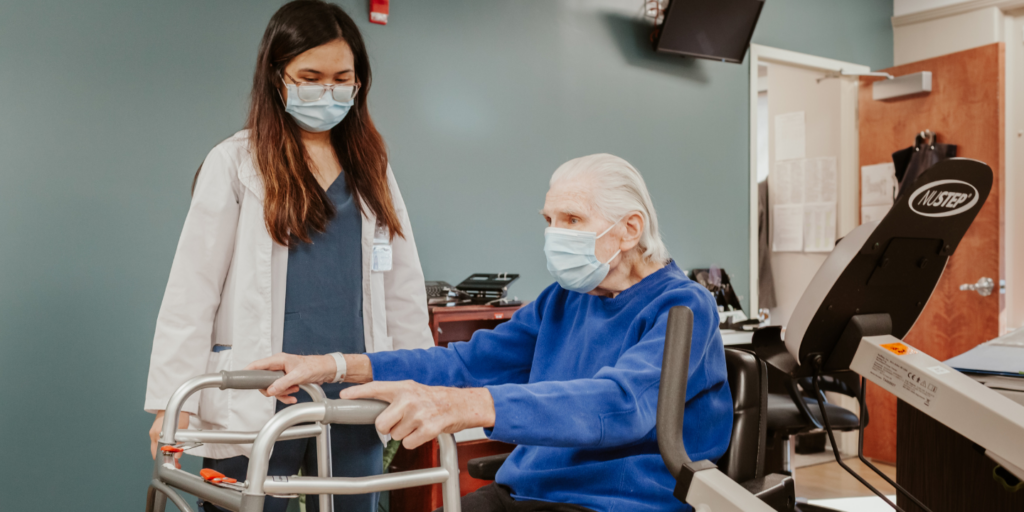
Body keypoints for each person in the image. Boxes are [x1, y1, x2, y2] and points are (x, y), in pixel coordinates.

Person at [250, 154, 733, 512]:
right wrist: (337, 365)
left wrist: (466, 406)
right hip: (529, 491)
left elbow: (619, 404)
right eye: (549, 220)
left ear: (630, 229)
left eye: (572, 220)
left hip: (619, 502)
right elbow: (464, 363)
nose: (555, 234)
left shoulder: (683, 305)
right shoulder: (564, 300)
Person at [143, 2, 433, 511]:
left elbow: (402, 285)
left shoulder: (371, 165)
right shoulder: (236, 162)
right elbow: (193, 290)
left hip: (354, 388)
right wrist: (173, 402)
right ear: (277, 77)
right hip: (260, 390)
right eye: (310, 77)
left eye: (342, 78)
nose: (327, 91)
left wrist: (421, 377)